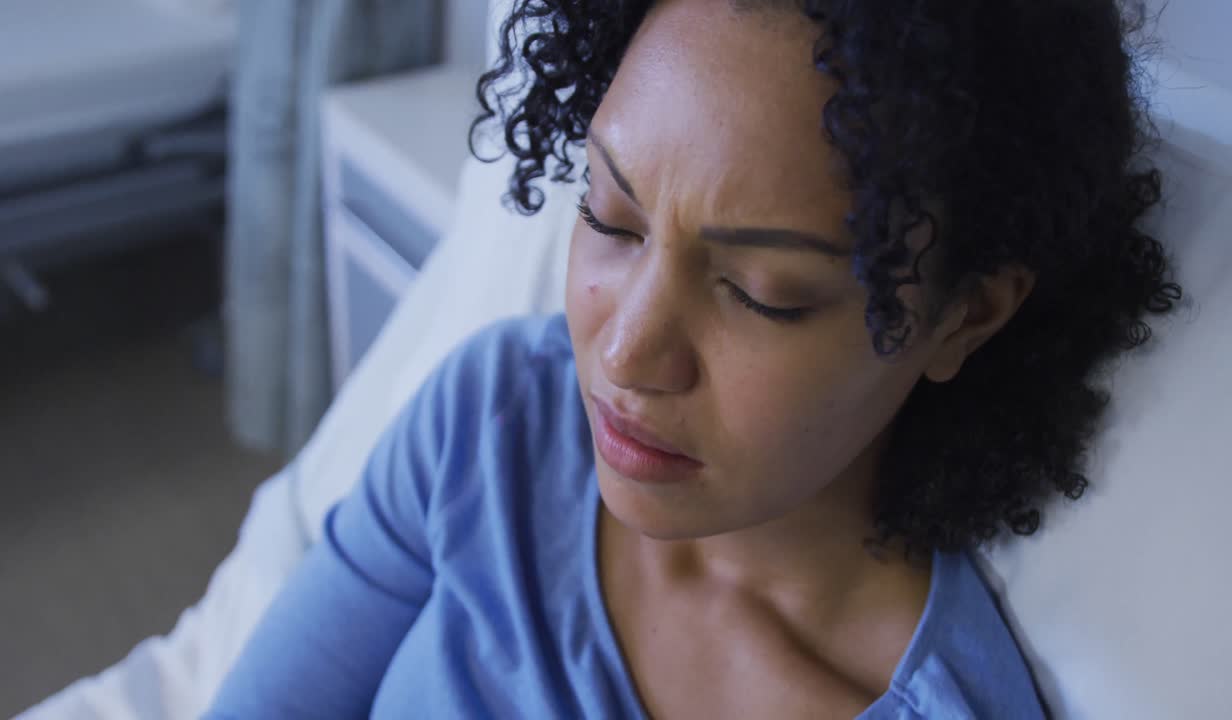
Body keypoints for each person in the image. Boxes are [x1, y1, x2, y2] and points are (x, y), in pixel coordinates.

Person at [207, 0, 1181, 717]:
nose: (626, 352)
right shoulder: (492, 424)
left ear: (962, 317)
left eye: (763, 294)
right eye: (609, 218)